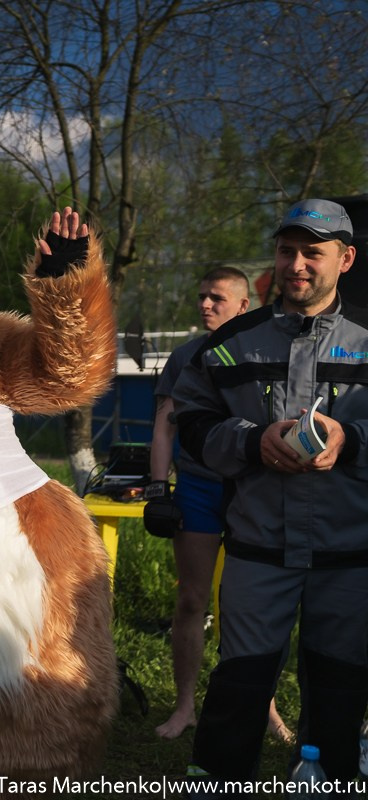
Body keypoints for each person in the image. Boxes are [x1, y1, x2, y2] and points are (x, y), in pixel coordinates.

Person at [174, 198, 368, 785]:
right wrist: (254, 440)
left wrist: (350, 440)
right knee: (241, 679)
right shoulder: (231, 342)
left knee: (339, 681)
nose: (298, 264)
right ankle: (221, 782)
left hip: (349, 556)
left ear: (347, 258)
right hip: (259, 551)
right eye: (288, 251)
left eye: (314, 252)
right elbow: (192, 423)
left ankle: (324, 779)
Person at [145, 267, 292, 742]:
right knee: (191, 599)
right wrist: (157, 488)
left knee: (251, 605)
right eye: (203, 297)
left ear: (244, 306)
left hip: (255, 489)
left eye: (218, 299)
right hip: (200, 487)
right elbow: (166, 425)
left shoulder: (268, 347)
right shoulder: (187, 354)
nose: (206, 305)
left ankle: (262, 708)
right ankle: (185, 705)